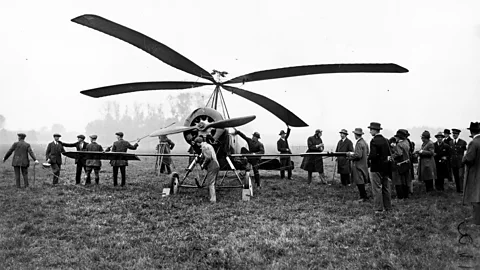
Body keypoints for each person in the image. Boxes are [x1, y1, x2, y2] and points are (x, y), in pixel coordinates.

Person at [367, 122, 392, 213]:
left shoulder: (373, 141)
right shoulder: (386, 140)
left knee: (377, 188)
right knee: (386, 187)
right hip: (385, 167)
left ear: (374, 130)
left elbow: (373, 155)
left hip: (376, 167)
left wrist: (368, 157)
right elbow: (389, 153)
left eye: (371, 130)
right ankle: (388, 207)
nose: (370, 132)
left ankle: (378, 209)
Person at [462, 122, 480, 226]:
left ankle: (476, 220)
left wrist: (463, 158)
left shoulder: (473, 143)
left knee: (476, 196)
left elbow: (469, 158)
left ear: (471, 132)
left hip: (476, 173)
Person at [347, 128, 370, 202]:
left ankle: (363, 197)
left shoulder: (359, 143)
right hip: (364, 164)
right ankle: (364, 195)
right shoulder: (364, 142)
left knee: (359, 181)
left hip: (358, 165)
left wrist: (350, 157)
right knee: (362, 180)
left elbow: (358, 155)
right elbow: (366, 153)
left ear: (356, 135)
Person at [195, 136, 220, 202]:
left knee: (211, 183)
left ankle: (213, 200)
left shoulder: (204, 147)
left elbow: (208, 157)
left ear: (198, 143)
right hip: (216, 165)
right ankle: (212, 197)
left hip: (212, 165)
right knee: (213, 183)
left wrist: (203, 165)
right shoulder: (208, 145)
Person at [390, 129, 411, 199]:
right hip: (406, 163)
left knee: (398, 180)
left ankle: (400, 196)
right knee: (405, 180)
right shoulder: (406, 142)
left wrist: (392, 155)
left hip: (399, 163)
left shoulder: (399, 144)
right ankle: (406, 195)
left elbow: (399, 153)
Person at [450, 128, 468, 193]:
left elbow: (465, 152)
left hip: (460, 162)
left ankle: (462, 189)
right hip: (453, 162)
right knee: (456, 176)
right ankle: (458, 189)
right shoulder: (450, 142)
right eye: (453, 134)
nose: (454, 135)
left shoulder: (463, 142)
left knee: (461, 176)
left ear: (458, 134)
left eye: (455, 134)